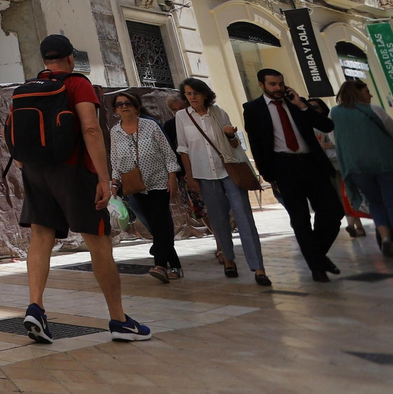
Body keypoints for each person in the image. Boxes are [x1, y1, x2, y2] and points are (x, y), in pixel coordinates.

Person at [18, 36, 151, 345]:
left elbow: (6, 131)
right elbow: (91, 128)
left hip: (36, 171)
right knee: (99, 243)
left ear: (44, 61)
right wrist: (104, 179)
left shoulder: (29, 87)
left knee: (40, 237)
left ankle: (35, 307)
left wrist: (28, 167)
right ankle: (119, 320)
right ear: (70, 58)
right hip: (76, 172)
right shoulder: (78, 84)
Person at [242, 69, 342, 281]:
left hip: (312, 165)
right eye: (272, 84)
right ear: (261, 85)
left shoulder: (297, 103)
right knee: (300, 219)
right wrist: (267, 174)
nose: (278, 88)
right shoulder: (253, 109)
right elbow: (256, 144)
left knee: (333, 213)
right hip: (283, 167)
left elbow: (327, 125)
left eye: (280, 83)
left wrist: (303, 106)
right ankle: (317, 267)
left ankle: (317, 256)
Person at [176, 78, 269, 285]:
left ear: (205, 94)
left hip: (229, 171)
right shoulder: (182, 117)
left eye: (195, 93)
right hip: (203, 173)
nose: (192, 97)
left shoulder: (219, 113)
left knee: (244, 217)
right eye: (188, 94)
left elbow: (236, 144)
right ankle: (228, 260)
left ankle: (259, 267)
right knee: (218, 220)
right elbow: (183, 149)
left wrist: (229, 136)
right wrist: (190, 176)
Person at [108, 92, 183, 281]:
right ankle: (174, 264)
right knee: (157, 224)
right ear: (116, 110)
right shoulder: (115, 132)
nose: (124, 107)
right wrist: (115, 183)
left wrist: (172, 176)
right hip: (134, 185)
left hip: (158, 180)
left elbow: (168, 152)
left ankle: (159, 264)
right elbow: (115, 160)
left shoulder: (150, 125)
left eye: (127, 103)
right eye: (119, 105)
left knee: (159, 220)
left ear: (136, 106)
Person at [330, 78, 393, 259]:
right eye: (367, 91)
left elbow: (334, 138)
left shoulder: (334, 113)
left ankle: (386, 237)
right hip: (384, 162)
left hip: (355, 167)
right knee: (390, 200)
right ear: (358, 93)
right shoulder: (374, 109)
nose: (370, 94)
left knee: (375, 202)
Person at [310, 96, 367, 239]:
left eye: (315, 107)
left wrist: (329, 145)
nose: (313, 110)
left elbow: (344, 141)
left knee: (347, 195)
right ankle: (353, 225)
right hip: (324, 167)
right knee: (338, 197)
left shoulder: (331, 122)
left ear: (322, 108)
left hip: (340, 165)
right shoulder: (308, 125)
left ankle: (355, 225)